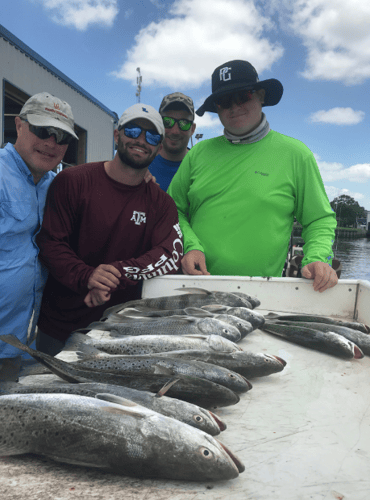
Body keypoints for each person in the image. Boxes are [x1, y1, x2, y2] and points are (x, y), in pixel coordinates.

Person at [167, 60, 338, 293]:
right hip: (195, 287)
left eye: (243, 96)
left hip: (261, 294)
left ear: (261, 95)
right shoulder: (198, 153)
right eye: (224, 101)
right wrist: (190, 246)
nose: (234, 107)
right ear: (217, 108)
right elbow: (172, 209)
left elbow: (319, 219)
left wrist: (317, 257)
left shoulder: (297, 154)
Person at [36, 103, 183, 355]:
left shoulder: (162, 204)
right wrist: (87, 276)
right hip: (59, 328)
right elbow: (50, 243)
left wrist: (117, 273)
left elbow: (170, 254)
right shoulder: (72, 181)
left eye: (151, 136)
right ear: (117, 135)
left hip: (120, 332)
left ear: (159, 148)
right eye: (133, 130)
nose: (141, 140)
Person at [0, 92, 78, 378]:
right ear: (19, 125)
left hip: (26, 347)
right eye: (43, 130)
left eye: (62, 137)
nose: (51, 143)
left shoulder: (55, 185)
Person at [149, 92, 196, 191]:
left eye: (184, 123)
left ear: (192, 129)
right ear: (159, 124)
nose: (175, 131)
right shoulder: (141, 164)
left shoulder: (201, 167)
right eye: (167, 122)